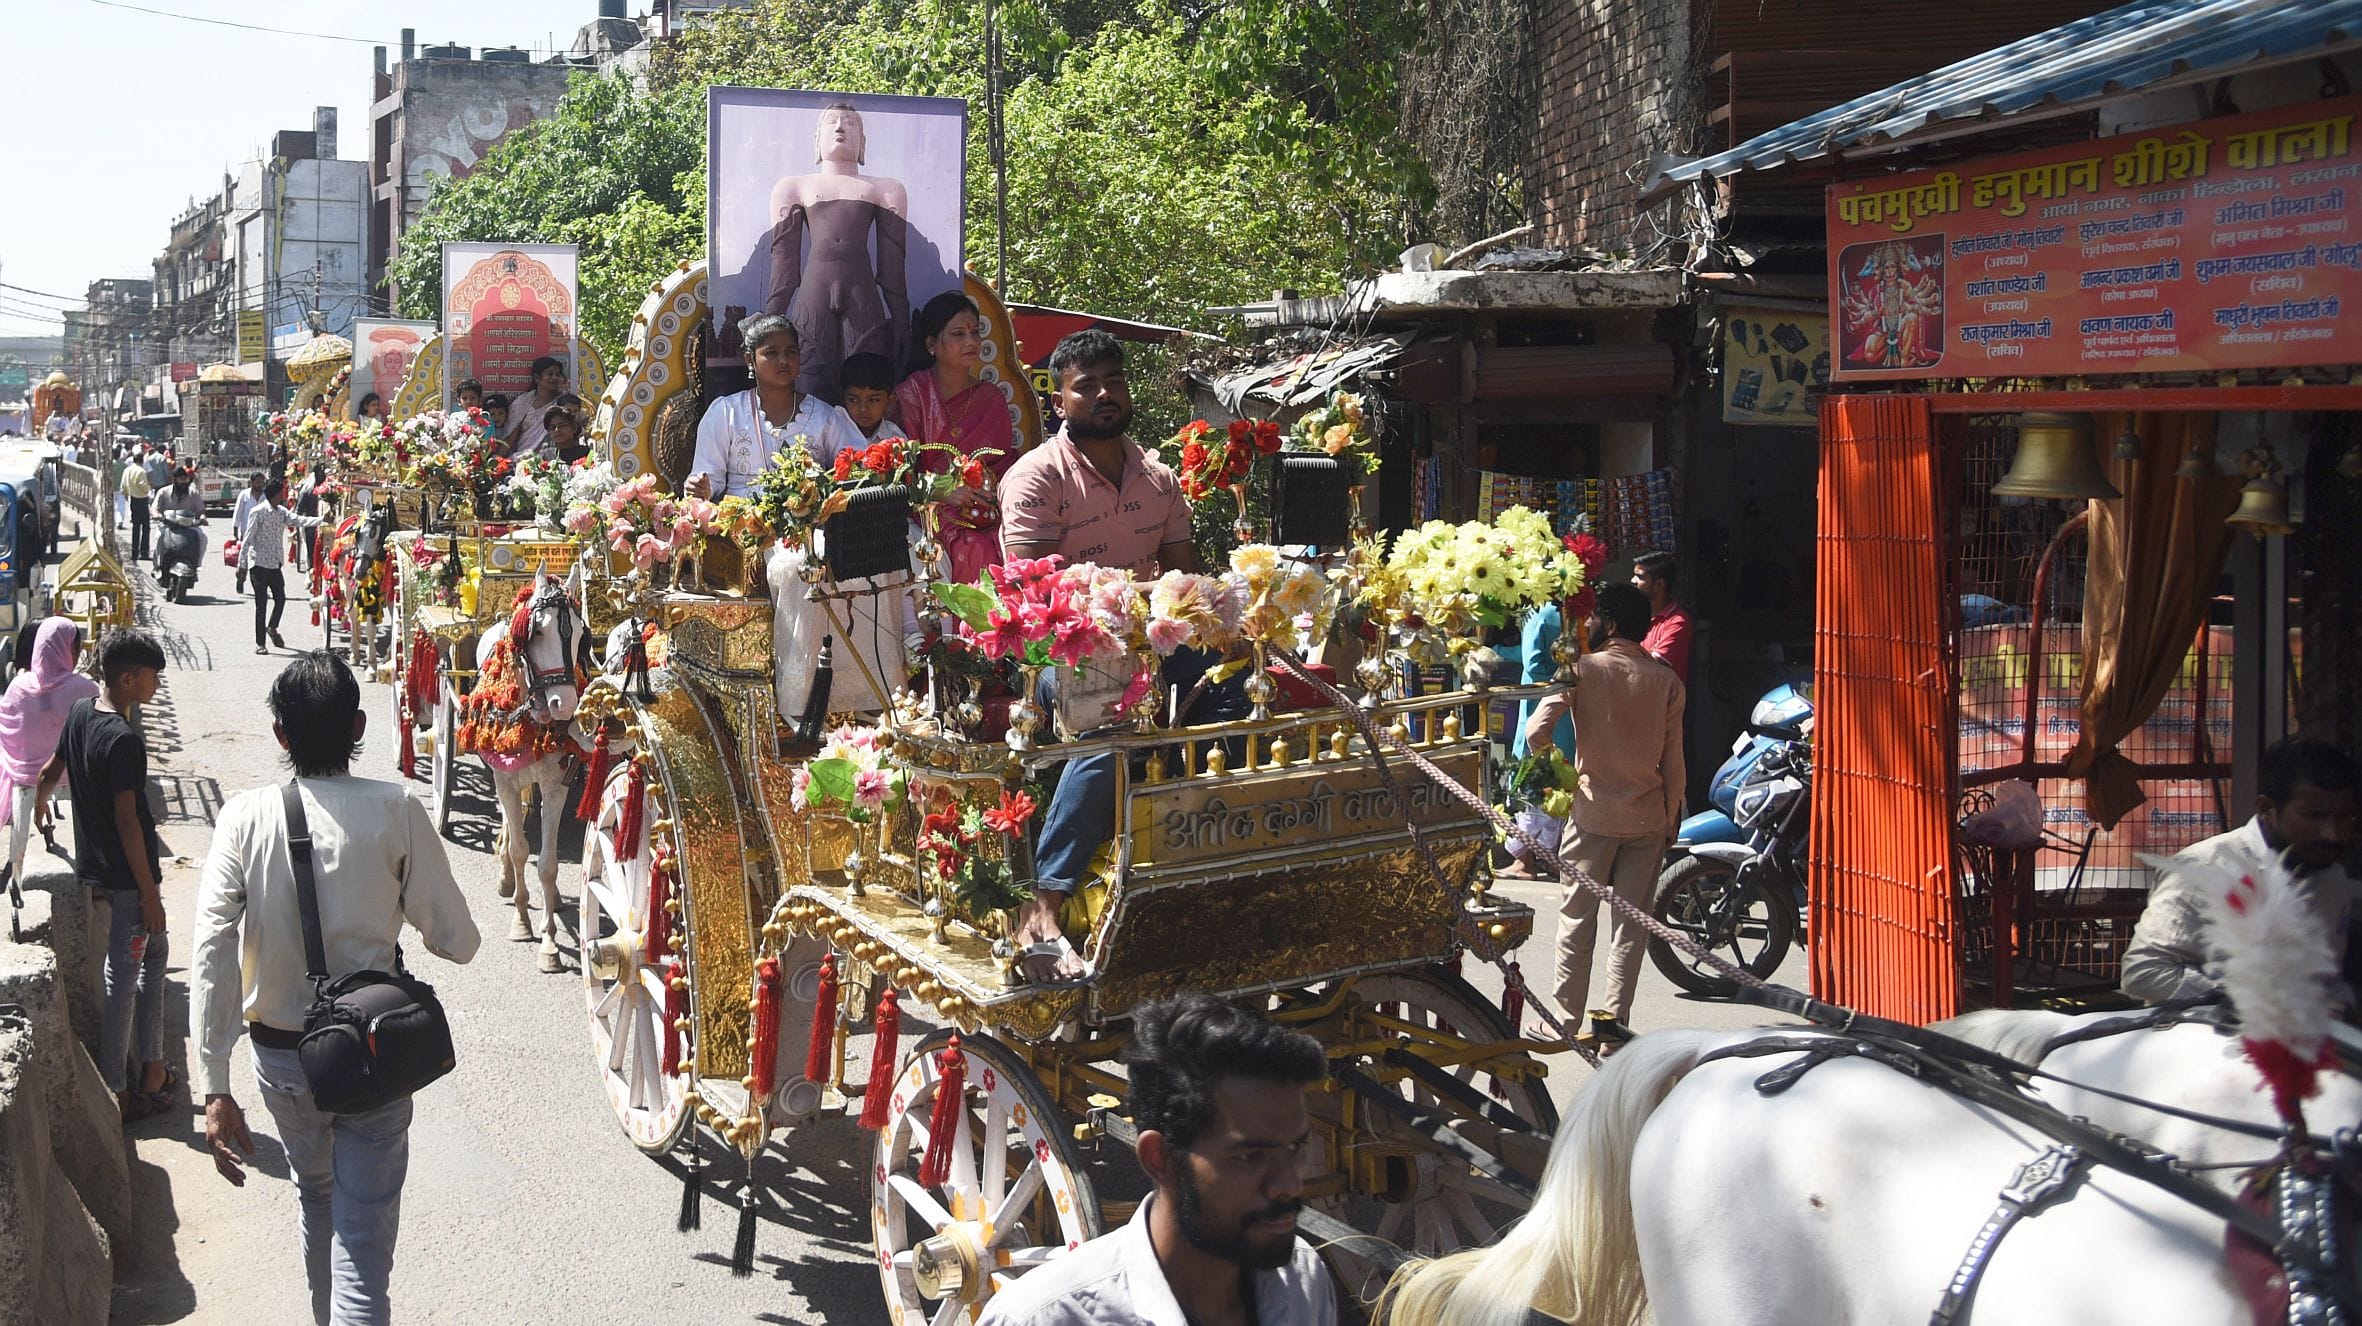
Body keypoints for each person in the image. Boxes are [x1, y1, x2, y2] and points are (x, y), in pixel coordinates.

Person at [190, 651, 480, 1326]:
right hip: (373, 1054)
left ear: (280, 734)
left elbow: (211, 949)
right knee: (363, 1249)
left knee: (315, 1196)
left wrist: (214, 1083)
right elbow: (458, 942)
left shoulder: (243, 817)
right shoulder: (396, 808)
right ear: (357, 726)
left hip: (282, 1059)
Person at [999, 332, 1242, 978]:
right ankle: (1041, 908)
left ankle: (1216, 849)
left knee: (1240, 688)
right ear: (1058, 401)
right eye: (1087, 385)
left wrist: (1227, 621)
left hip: (1152, 646)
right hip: (1062, 656)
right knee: (1115, 724)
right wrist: (1120, 609)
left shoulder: (1159, 479)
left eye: (1115, 381)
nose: (1105, 394)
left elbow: (1184, 580)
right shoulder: (1035, 477)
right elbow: (1033, 593)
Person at [978, 994, 1336, 1326]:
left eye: (1296, 1148)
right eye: (1250, 1157)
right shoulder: (1042, 1318)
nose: (1290, 1184)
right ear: (1161, 1159)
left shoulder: (1304, 1281)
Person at [1521, 582, 1686, 1048]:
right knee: (1629, 929)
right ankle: (1612, 1031)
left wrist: (1560, 771)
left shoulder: (1581, 669)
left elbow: (1535, 732)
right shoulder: (1666, 681)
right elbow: (1674, 762)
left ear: (1609, 624)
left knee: (1577, 919)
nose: (1587, 624)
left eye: (1593, 617)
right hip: (1647, 817)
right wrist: (1671, 817)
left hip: (1592, 814)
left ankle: (1564, 1022)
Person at [39, 630, 172, 1121]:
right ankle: (118, 1089)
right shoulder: (124, 740)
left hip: (99, 871)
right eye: (152, 676)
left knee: (154, 957)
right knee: (124, 975)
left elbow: (49, 771)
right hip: (128, 881)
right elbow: (128, 821)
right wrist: (149, 895)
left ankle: (153, 1067)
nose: (156, 685)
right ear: (128, 678)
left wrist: (39, 805)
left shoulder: (80, 712)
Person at [2121, 739, 2357, 1005]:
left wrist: (2340, 1006)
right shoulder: (2203, 869)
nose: (2333, 834)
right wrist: (2251, 1003)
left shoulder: (2332, 879)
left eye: (2344, 818)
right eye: (2314, 816)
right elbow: (2143, 972)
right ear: (2266, 809)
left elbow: (2327, 980)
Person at [765, 102, 911, 401]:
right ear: (816, 139)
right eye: (831, 121)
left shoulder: (887, 189)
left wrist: (901, 318)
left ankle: (863, 435)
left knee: (866, 384)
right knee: (810, 382)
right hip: (814, 293)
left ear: (863, 142)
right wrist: (769, 321)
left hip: (862, 295)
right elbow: (784, 266)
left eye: (851, 123)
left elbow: (892, 266)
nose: (841, 127)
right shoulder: (793, 187)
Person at [897, 291, 1015, 585]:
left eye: (975, 332)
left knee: (1011, 542)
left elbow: (1004, 465)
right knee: (971, 547)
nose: (971, 341)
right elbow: (901, 471)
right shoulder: (912, 394)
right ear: (931, 344)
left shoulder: (991, 398)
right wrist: (943, 490)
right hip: (929, 507)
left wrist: (988, 493)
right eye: (959, 334)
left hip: (985, 507)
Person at [686, 312, 863, 500]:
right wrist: (702, 488)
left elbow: (857, 472)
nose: (783, 360)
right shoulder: (726, 413)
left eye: (791, 352)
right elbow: (708, 476)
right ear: (750, 360)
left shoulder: (825, 417)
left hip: (808, 517)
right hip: (740, 517)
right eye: (771, 353)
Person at [0, 619, 99, 899]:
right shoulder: (85, 689)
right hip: (72, 789)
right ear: (68, 649)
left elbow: (7, 734)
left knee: (20, 855)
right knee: (76, 862)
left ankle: (19, 900)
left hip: (25, 790)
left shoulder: (18, 687)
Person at [242, 479, 320, 655]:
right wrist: (242, 564)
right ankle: (260, 643)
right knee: (261, 604)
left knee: (281, 599)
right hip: (259, 565)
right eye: (282, 492)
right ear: (276, 494)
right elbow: (248, 538)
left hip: (275, 564)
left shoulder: (281, 512)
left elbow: (299, 520)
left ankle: (272, 627)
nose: (284, 495)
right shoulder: (258, 512)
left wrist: (321, 521)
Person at [1631, 550, 1692, 686]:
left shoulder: (1678, 622)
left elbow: (1655, 665)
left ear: (1659, 584)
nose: (1633, 581)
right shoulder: (1636, 615)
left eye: (1639, 577)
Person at [504, 356, 569, 459]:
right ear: (536, 378)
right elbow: (510, 438)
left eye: (557, 374)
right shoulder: (524, 401)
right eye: (550, 374)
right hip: (521, 459)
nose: (555, 378)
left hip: (551, 460)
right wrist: (497, 458)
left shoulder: (563, 403)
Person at [839, 351, 904, 443]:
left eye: (873, 400)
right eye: (853, 400)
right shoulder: (833, 433)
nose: (863, 409)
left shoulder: (895, 438)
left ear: (890, 401)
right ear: (843, 398)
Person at [232, 472, 266, 595]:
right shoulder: (244, 495)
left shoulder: (266, 496)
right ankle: (240, 579)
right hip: (246, 533)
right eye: (258, 482)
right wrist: (235, 531)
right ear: (251, 482)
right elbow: (238, 512)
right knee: (244, 562)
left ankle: (260, 587)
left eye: (262, 482)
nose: (260, 485)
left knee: (259, 562)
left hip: (262, 534)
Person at [122, 449, 153, 560]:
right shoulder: (141, 471)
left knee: (135, 527)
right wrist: (149, 489)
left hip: (133, 499)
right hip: (142, 499)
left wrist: (126, 493)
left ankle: (134, 552)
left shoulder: (127, 470)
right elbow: (143, 485)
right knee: (145, 527)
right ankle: (144, 552)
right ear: (142, 461)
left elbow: (123, 485)